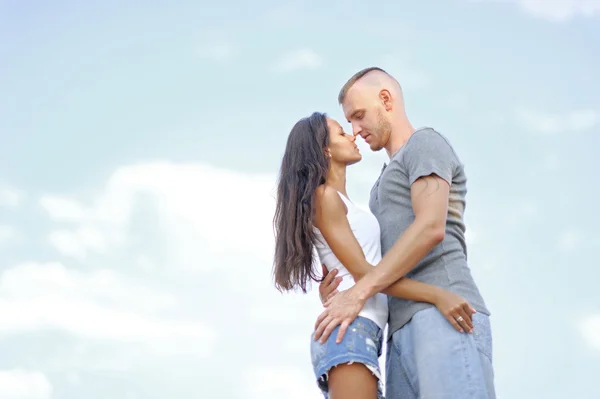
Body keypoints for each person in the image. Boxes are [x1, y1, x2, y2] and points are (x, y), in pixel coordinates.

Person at [314, 67, 495, 398]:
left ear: (385, 99)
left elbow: (430, 228)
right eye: (348, 122)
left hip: (446, 313)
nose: (355, 130)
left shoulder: (423, 144)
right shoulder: (377, 187)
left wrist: (358, 293)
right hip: (395, 333)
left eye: (358, 116)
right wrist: (344, 288)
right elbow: (374, 262)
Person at [272, 112, 479, 399]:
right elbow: (366, 275)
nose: (352, 134)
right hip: (350, 332)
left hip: (362, 332)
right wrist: (438, 294)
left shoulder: (342, 201)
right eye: (341, 133)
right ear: (325, 149)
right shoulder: (325, 197)